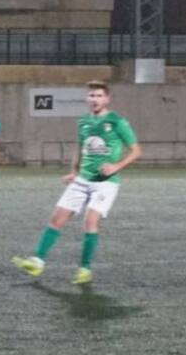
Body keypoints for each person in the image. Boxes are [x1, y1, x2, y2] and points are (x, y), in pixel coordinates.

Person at [13, 81, 141, 285]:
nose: (95, 99)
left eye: (99, 96)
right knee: (56, 218)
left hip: (105, 183)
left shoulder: (117, 122)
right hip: (82, 179)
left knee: (90, 221)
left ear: (107, 99)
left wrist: (116, 166)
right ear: (87, 99)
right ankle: (37, 262)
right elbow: (81, 149)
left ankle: (85, 269)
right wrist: (73, 171)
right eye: (91, 96)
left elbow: (136, 150)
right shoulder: (83, 122)